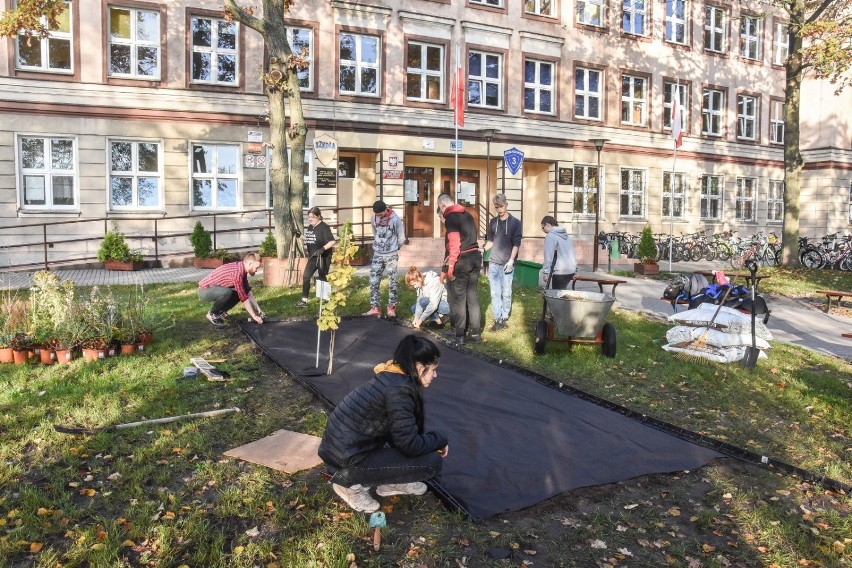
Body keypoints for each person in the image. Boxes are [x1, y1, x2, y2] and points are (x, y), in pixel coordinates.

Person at [318, 334, 448, 513]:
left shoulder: (392, 376)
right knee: (432, 461)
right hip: (345, 460)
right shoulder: (399, 392)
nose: (435, 375)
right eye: (433, 369)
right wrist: (440, 440)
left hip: (348, 449)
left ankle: (389, 482)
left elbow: (400, 436)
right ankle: (348, 485)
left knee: (420, 450)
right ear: (419, 368)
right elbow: (410, 446)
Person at [437, 192, 482, 345]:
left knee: (459, 298)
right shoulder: (468, 215)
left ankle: (460, 336)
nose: (441, 213)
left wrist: (450, 268)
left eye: (440, 209)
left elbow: (454, 245)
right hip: (475, 257)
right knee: (473, 297)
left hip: (463, 260)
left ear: (443, 204)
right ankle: (475, 334)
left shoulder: (451, 218)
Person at [483, 193, 522, 331]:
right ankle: (497, 319)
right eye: (496, 207)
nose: (499, 210)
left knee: (506, 292)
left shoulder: (516, 223)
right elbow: (491, 241)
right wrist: (481, 249)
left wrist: (511, 260)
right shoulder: (493, 222)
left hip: (507, 264)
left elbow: (516, 244)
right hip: (493, 263)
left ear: (506, 204)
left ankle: (504, 317)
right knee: (495, 293)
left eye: (501, 206)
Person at [363, 200, 406, 318]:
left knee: (392, 282)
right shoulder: (373, 218)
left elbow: (401, 237)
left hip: (391, 254)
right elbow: (374, 232)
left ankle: (391, 308)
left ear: (385, 210)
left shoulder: (395, 220)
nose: (378, 216)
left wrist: (394, 248)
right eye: (376, 214)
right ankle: (375, 308)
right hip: (377, 254)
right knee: (373, 281)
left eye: (380, 214)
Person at [198, 252, 265, 325]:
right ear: (250, 264)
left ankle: (221, 312)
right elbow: (244, 299)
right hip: (204, 291)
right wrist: (254, 316)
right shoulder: (237, 273)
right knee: (228, 292)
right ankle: (212, 313)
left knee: (239, 292)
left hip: (216, 289)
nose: (256, 270)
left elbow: (247, 292)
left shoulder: (242, 269)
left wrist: (259, 309)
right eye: (257, 267)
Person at [296, 207, 337, 307]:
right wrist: (300, 236)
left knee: (322, 277)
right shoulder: (310, 226)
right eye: (309, 217)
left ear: (318, 216)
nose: (310, 219)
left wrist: (323, 248)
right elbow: (311, 239)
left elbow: (332, 241)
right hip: (313, 257)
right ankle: (304, 300)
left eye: (313, 217)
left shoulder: (324, 227)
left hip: (323, 257)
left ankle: (326, 300)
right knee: (306, 276)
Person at [540, 216, 577, 289]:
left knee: (557, 296)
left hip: (560, 271)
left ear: (548, 224)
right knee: (561, 294)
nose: (543, 230)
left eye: (543, 227)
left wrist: (546, 272)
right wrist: (575, 270)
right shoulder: (568, 236)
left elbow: (548, 255)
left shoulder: (551, 236)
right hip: (571, 270)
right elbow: (572, 253)